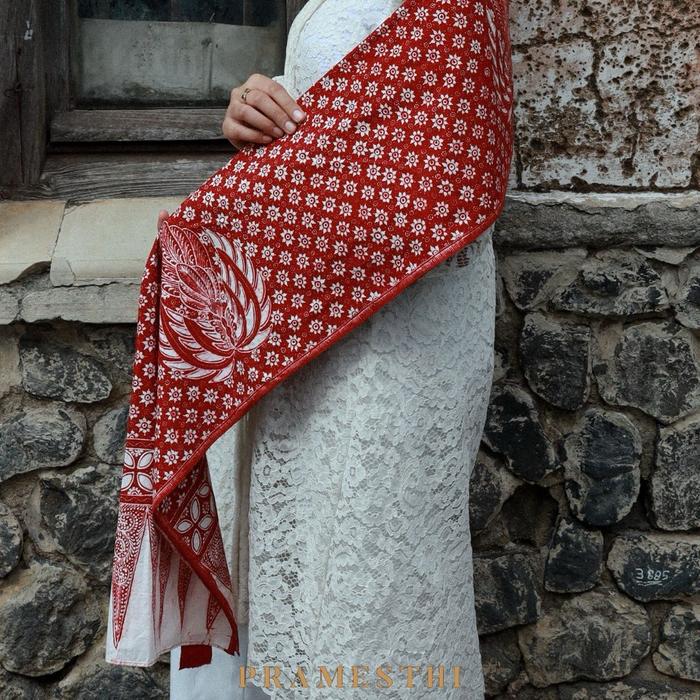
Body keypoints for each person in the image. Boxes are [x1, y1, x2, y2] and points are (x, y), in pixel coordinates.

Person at [165, 1, 497, 697]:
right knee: (292, 569)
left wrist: (228, 220)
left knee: (370, 580)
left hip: (393, 337)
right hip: (307, 325)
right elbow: (328, 119)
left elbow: (441, 175)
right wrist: (257, 110)